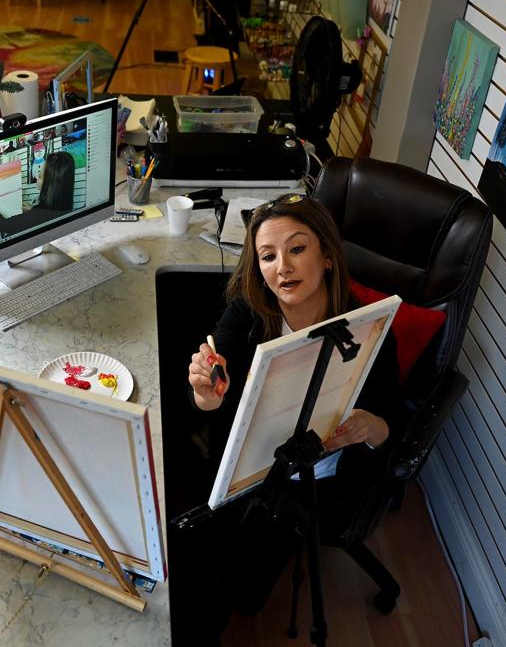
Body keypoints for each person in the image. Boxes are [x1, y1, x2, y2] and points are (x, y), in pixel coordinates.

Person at [173, 194, 407, 644]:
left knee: (245, 592)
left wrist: (369, 426)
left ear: (327, 258)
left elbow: (390, 422)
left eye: (297, 249)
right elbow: (209, 398)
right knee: (202, 576)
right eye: (268, 255)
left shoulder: (369, 327)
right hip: (250, 466)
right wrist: (206, 394)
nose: (283, 267)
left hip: (319, 481)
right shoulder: (246, 313)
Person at [0, 151, 75, 237]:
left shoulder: (38, 217)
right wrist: (33, 210)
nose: (37, 176)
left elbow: (3, 225)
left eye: (40, 176)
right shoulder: (65, 207)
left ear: (50, 185)